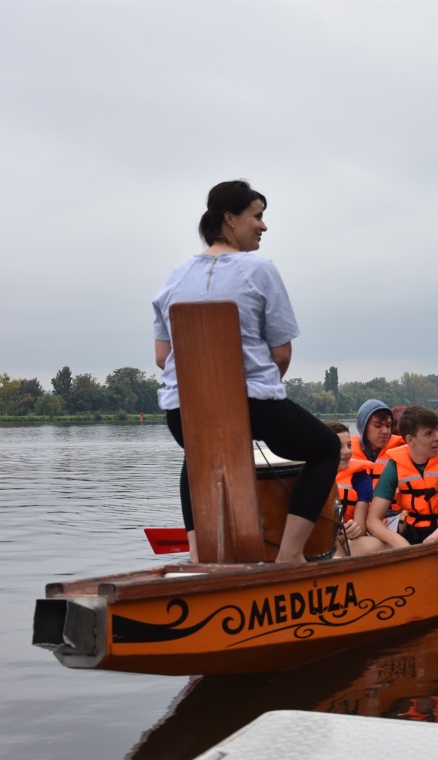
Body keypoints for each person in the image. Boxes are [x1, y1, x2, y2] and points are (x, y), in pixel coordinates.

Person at [153, 180, 340, 564]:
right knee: (325, 449)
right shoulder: (260, 270)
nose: (263, 226)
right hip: (253, 403)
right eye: (257, 216)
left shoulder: (174, 277)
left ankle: (197, 557)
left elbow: (162, 357)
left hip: (182, 409)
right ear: (229, 218)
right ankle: (290, 555)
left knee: (198, 455)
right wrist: (257, 391)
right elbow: (281, 353)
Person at [366, 406, 438, 547]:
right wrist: (399, 542)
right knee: (368, 545)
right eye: (429, 434)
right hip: (414, 533)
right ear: (410, 440)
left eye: (436, 430)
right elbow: (373, 520)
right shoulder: (395, 465)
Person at [335, 399, 405, 539]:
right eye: (378, 425)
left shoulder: (402, 449)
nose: (385, 431)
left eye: (389, 425)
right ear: (363, 426)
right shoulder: (346, 453)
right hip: (357, 520)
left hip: (394, 517)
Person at [327, 422, 387, 556]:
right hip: (320, 541)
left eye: (349, 445)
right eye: (339, 447)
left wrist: (351, 531)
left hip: (349, 540)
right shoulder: (309, 476)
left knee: (379, 545)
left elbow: (359, 528)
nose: (347, 452)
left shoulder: (360, 477)